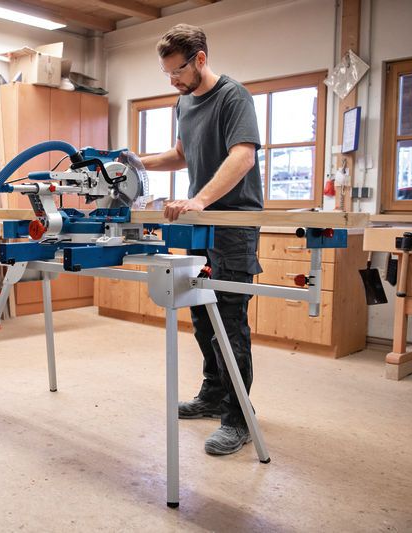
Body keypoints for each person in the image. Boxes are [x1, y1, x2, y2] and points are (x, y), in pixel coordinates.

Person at [138, 24, 263, 456]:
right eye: (167, 73)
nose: (172, 80)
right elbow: (182, 154)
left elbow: (242, 155)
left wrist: (199, 199)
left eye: (176, 71)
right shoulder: (184, 101)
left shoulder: (233, 97)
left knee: (229, 320)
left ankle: (238, 417)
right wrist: (134, 161)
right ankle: (213, 395)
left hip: (231, 227)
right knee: (201, 316)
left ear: (201, 59)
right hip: (199, 225)